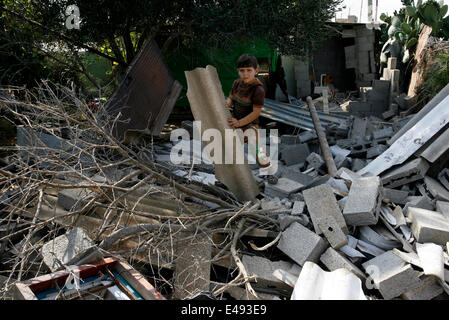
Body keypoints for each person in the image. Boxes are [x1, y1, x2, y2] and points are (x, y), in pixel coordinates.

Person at [225, 54, 278, 184]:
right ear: (238, 71)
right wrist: (226, 104)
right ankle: (230, 177)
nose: (245, 74)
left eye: (249, 70)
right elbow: (231, 98)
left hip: (250, 124)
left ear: (256, 71)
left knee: (256, 147)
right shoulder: (237, 83)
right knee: (228, 148)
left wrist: (239, 123)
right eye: (242, 71)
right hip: (235, 122)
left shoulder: (258, 89)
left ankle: (269, 171)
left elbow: (255, 113)